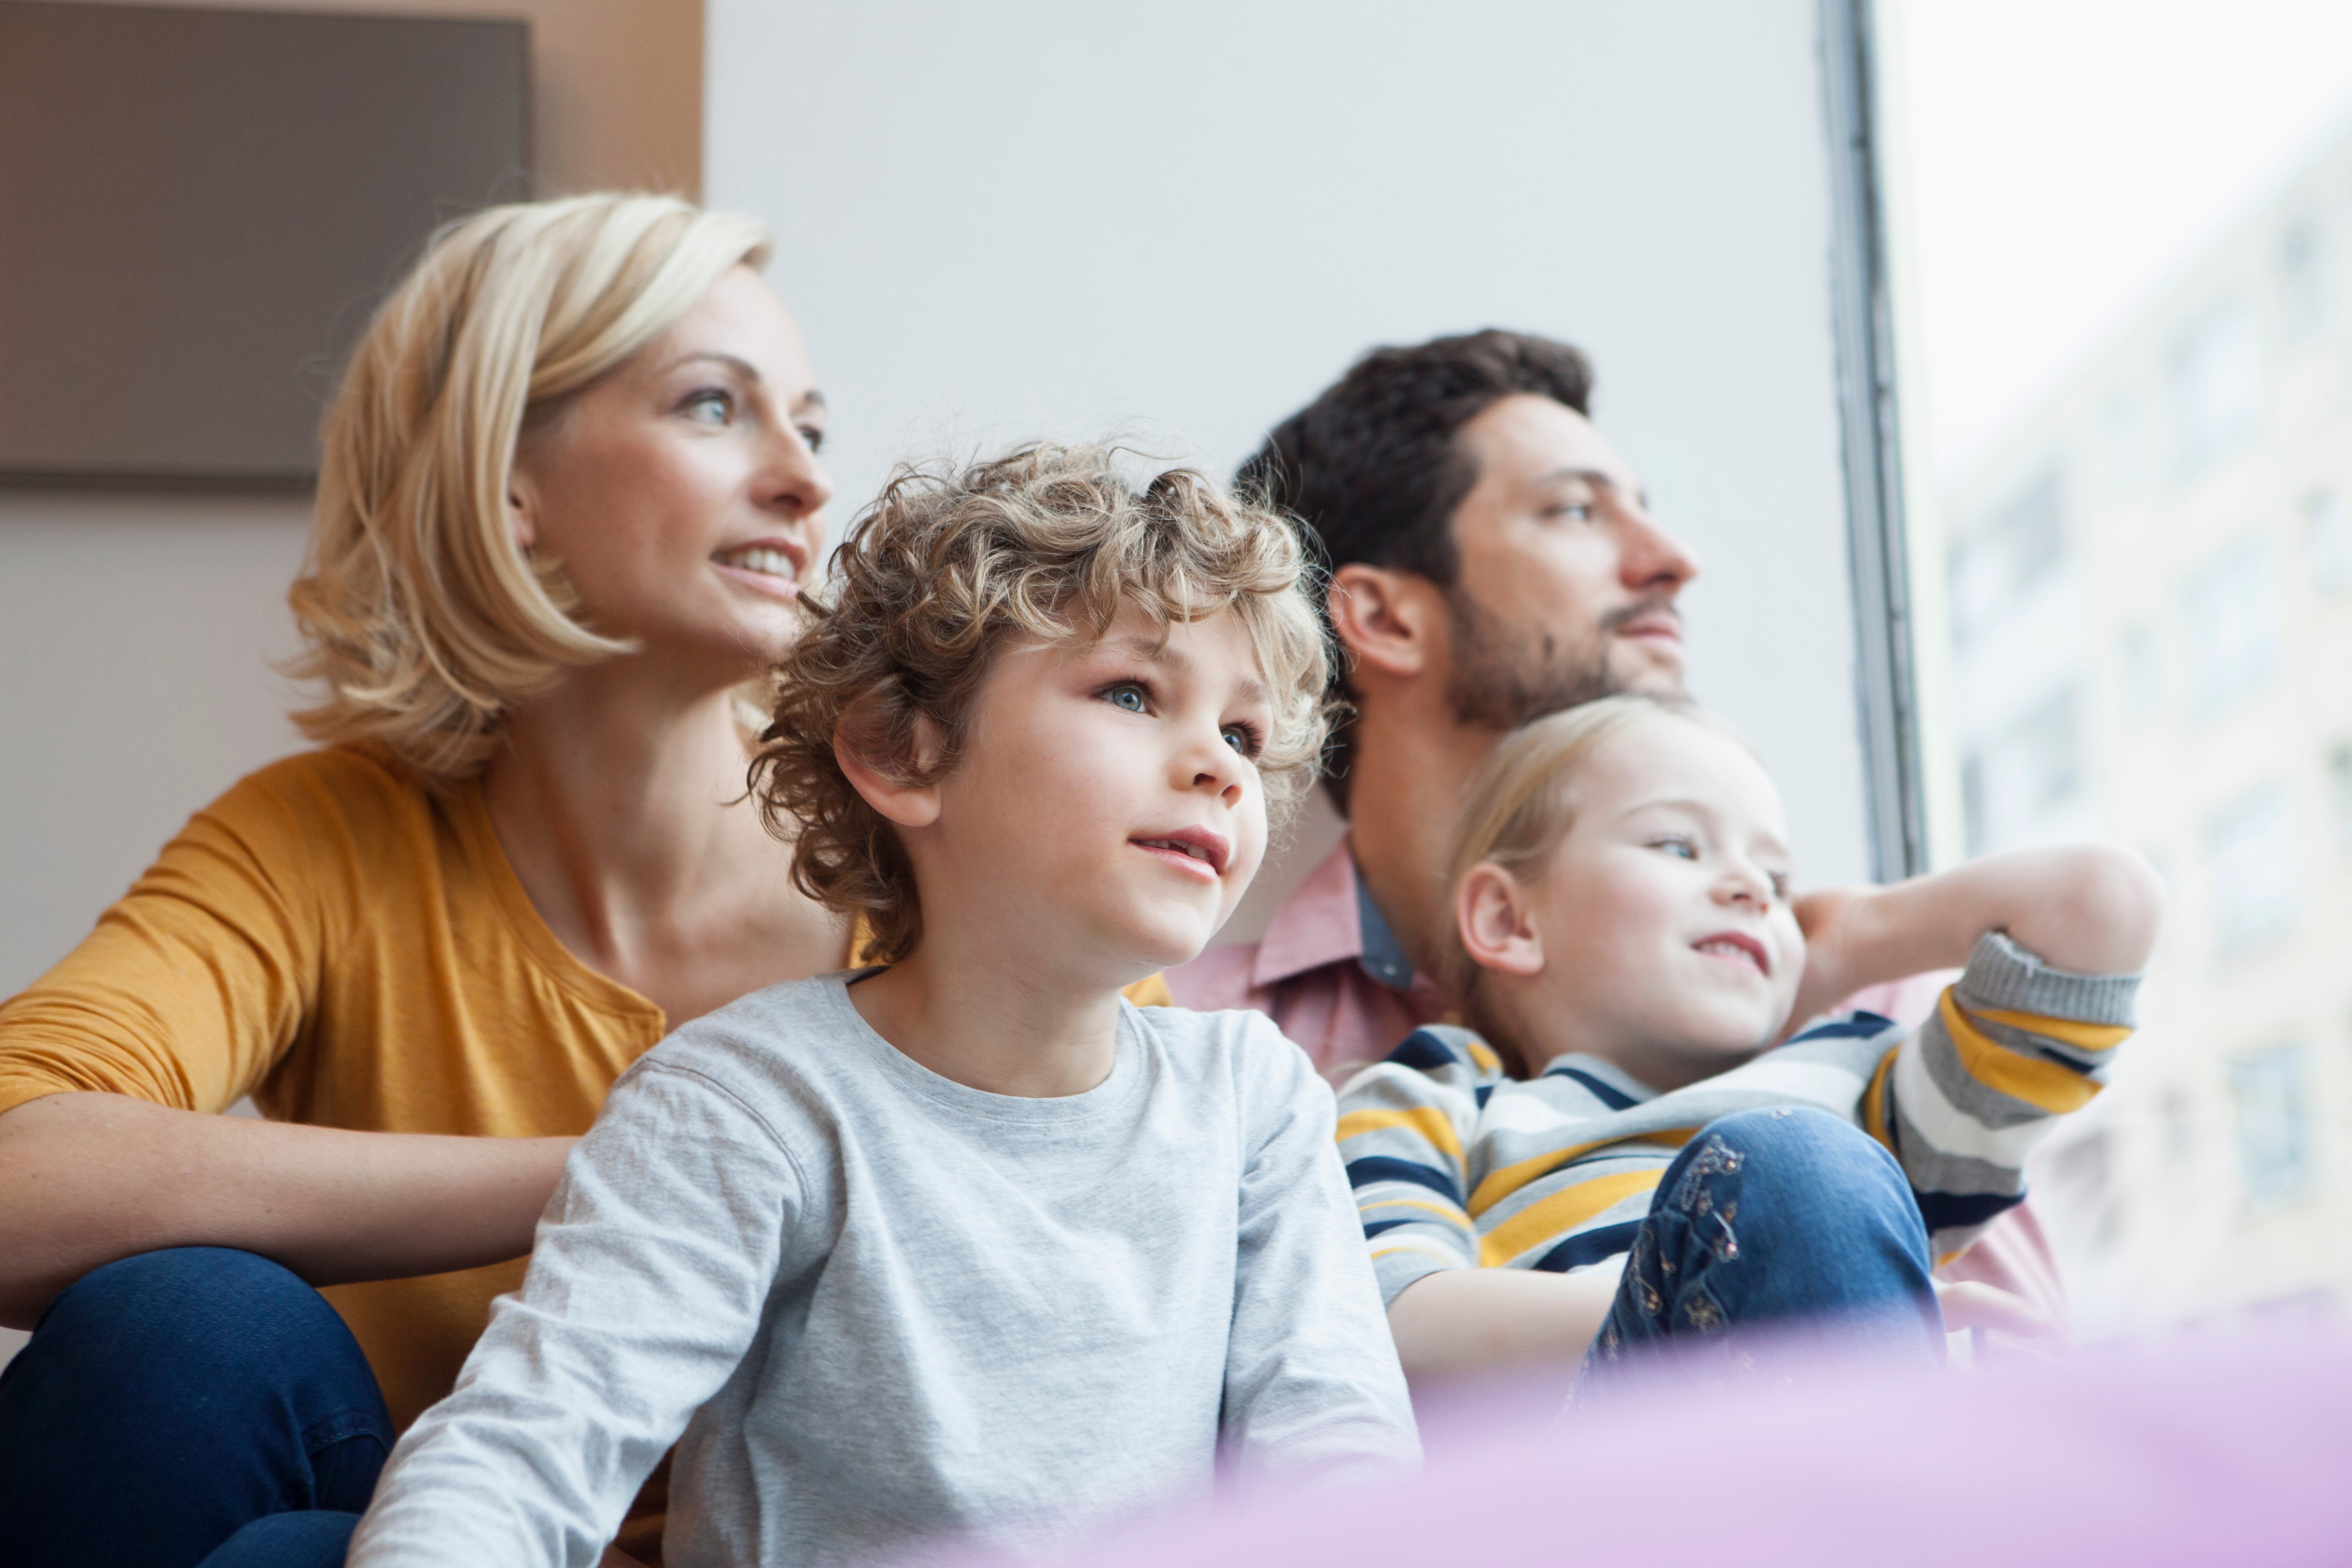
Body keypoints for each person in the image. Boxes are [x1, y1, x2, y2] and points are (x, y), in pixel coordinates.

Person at [0, 194, 1172, 1568]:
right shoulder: (327, 839)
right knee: (181, 1329)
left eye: (810, 426)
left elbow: (1151, 1243)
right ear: (509, 483)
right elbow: (23, 1173)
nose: (803, 483)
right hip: (429, 1530)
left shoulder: (965, 853)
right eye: (711, 407)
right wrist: (643, 1171)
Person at [340, 444, 1419, 1568]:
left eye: (1245, 733)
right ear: (903, 755)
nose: (1220, 766)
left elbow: (1342, 1470)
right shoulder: (750, 1102)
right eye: (1133, 693)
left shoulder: (1254, 1101)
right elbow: (523, 1455)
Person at [1163, 328, 2071, 1340]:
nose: (1674, 561)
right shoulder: (1183, 1045)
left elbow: (2014, 1391)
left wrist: (1854, 946)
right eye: (1576, 510)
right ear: (1383, 618)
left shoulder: (1862, 1019)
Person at [1337, 697, 2161, 1387]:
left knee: (1808, 1160)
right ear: (1510, 920)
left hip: (1840, 1479)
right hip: (1597, 1483)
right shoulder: (1433, 1095)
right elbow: (1392, 1327)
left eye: (1778, 885)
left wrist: (1846, 934)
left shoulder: (1864, 1089)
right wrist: (1740, 1295)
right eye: (1677, 846)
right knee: (1793, 1165)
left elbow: (2102, 905)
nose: (1747, 890)